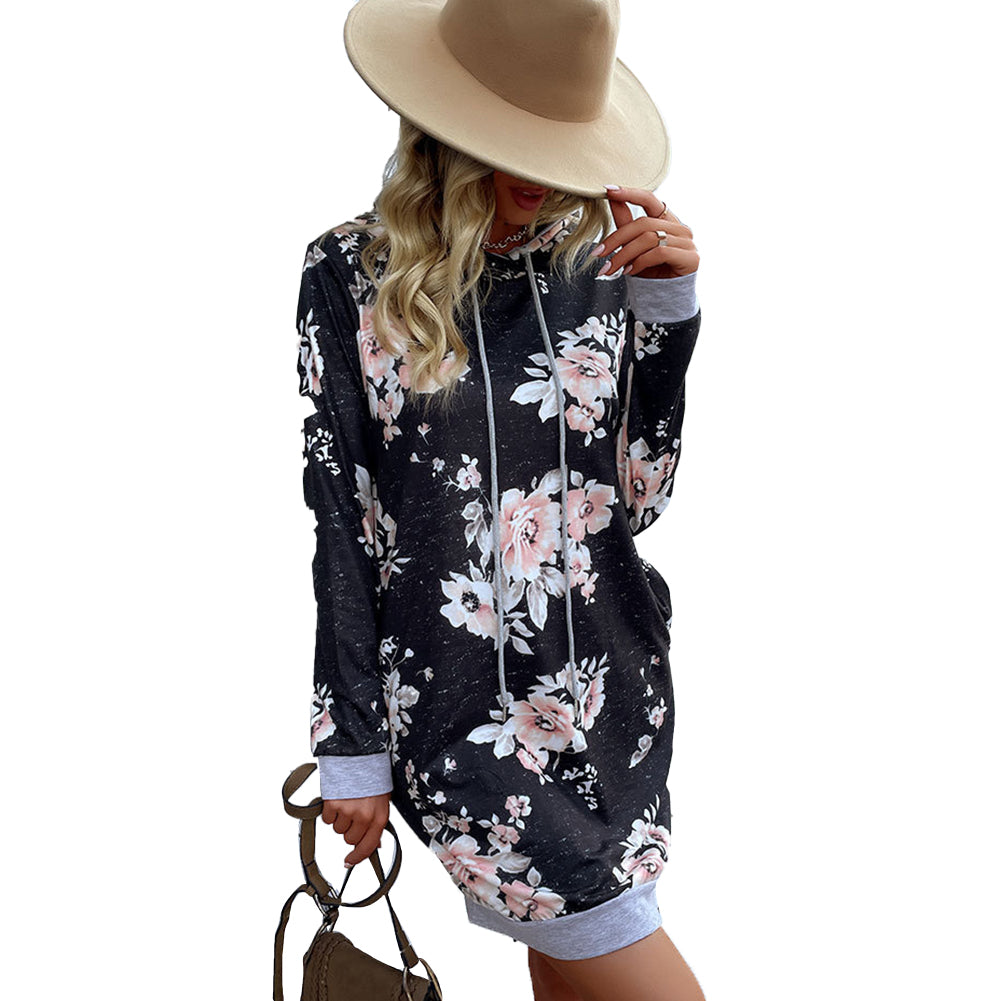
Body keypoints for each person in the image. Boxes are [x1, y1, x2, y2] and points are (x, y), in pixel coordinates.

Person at [295, 3, 705, 999]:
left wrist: (668, 318)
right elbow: (343, 521)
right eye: (513, 140)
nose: (540, 176)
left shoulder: (603, 265)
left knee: (568, 974)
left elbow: (638, 495)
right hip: (464, 719)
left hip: (611, 699)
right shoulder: (348, 274)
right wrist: (349, 744)